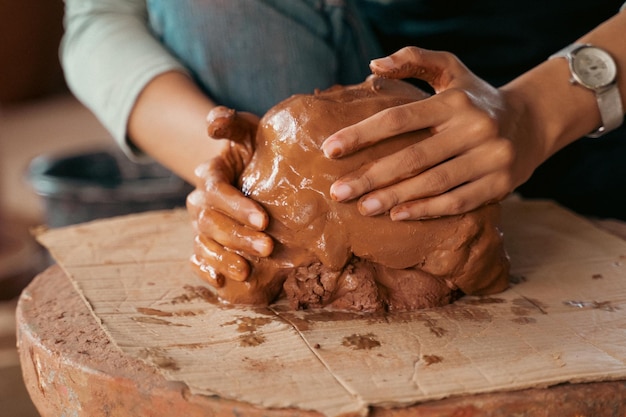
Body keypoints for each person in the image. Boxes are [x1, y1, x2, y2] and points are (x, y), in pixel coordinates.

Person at [61, 0, 626, 287]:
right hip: (292, 78)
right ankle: (299, 252)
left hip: (578, 86)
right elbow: (101, 19)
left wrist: (534, 113)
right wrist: (240, 168)